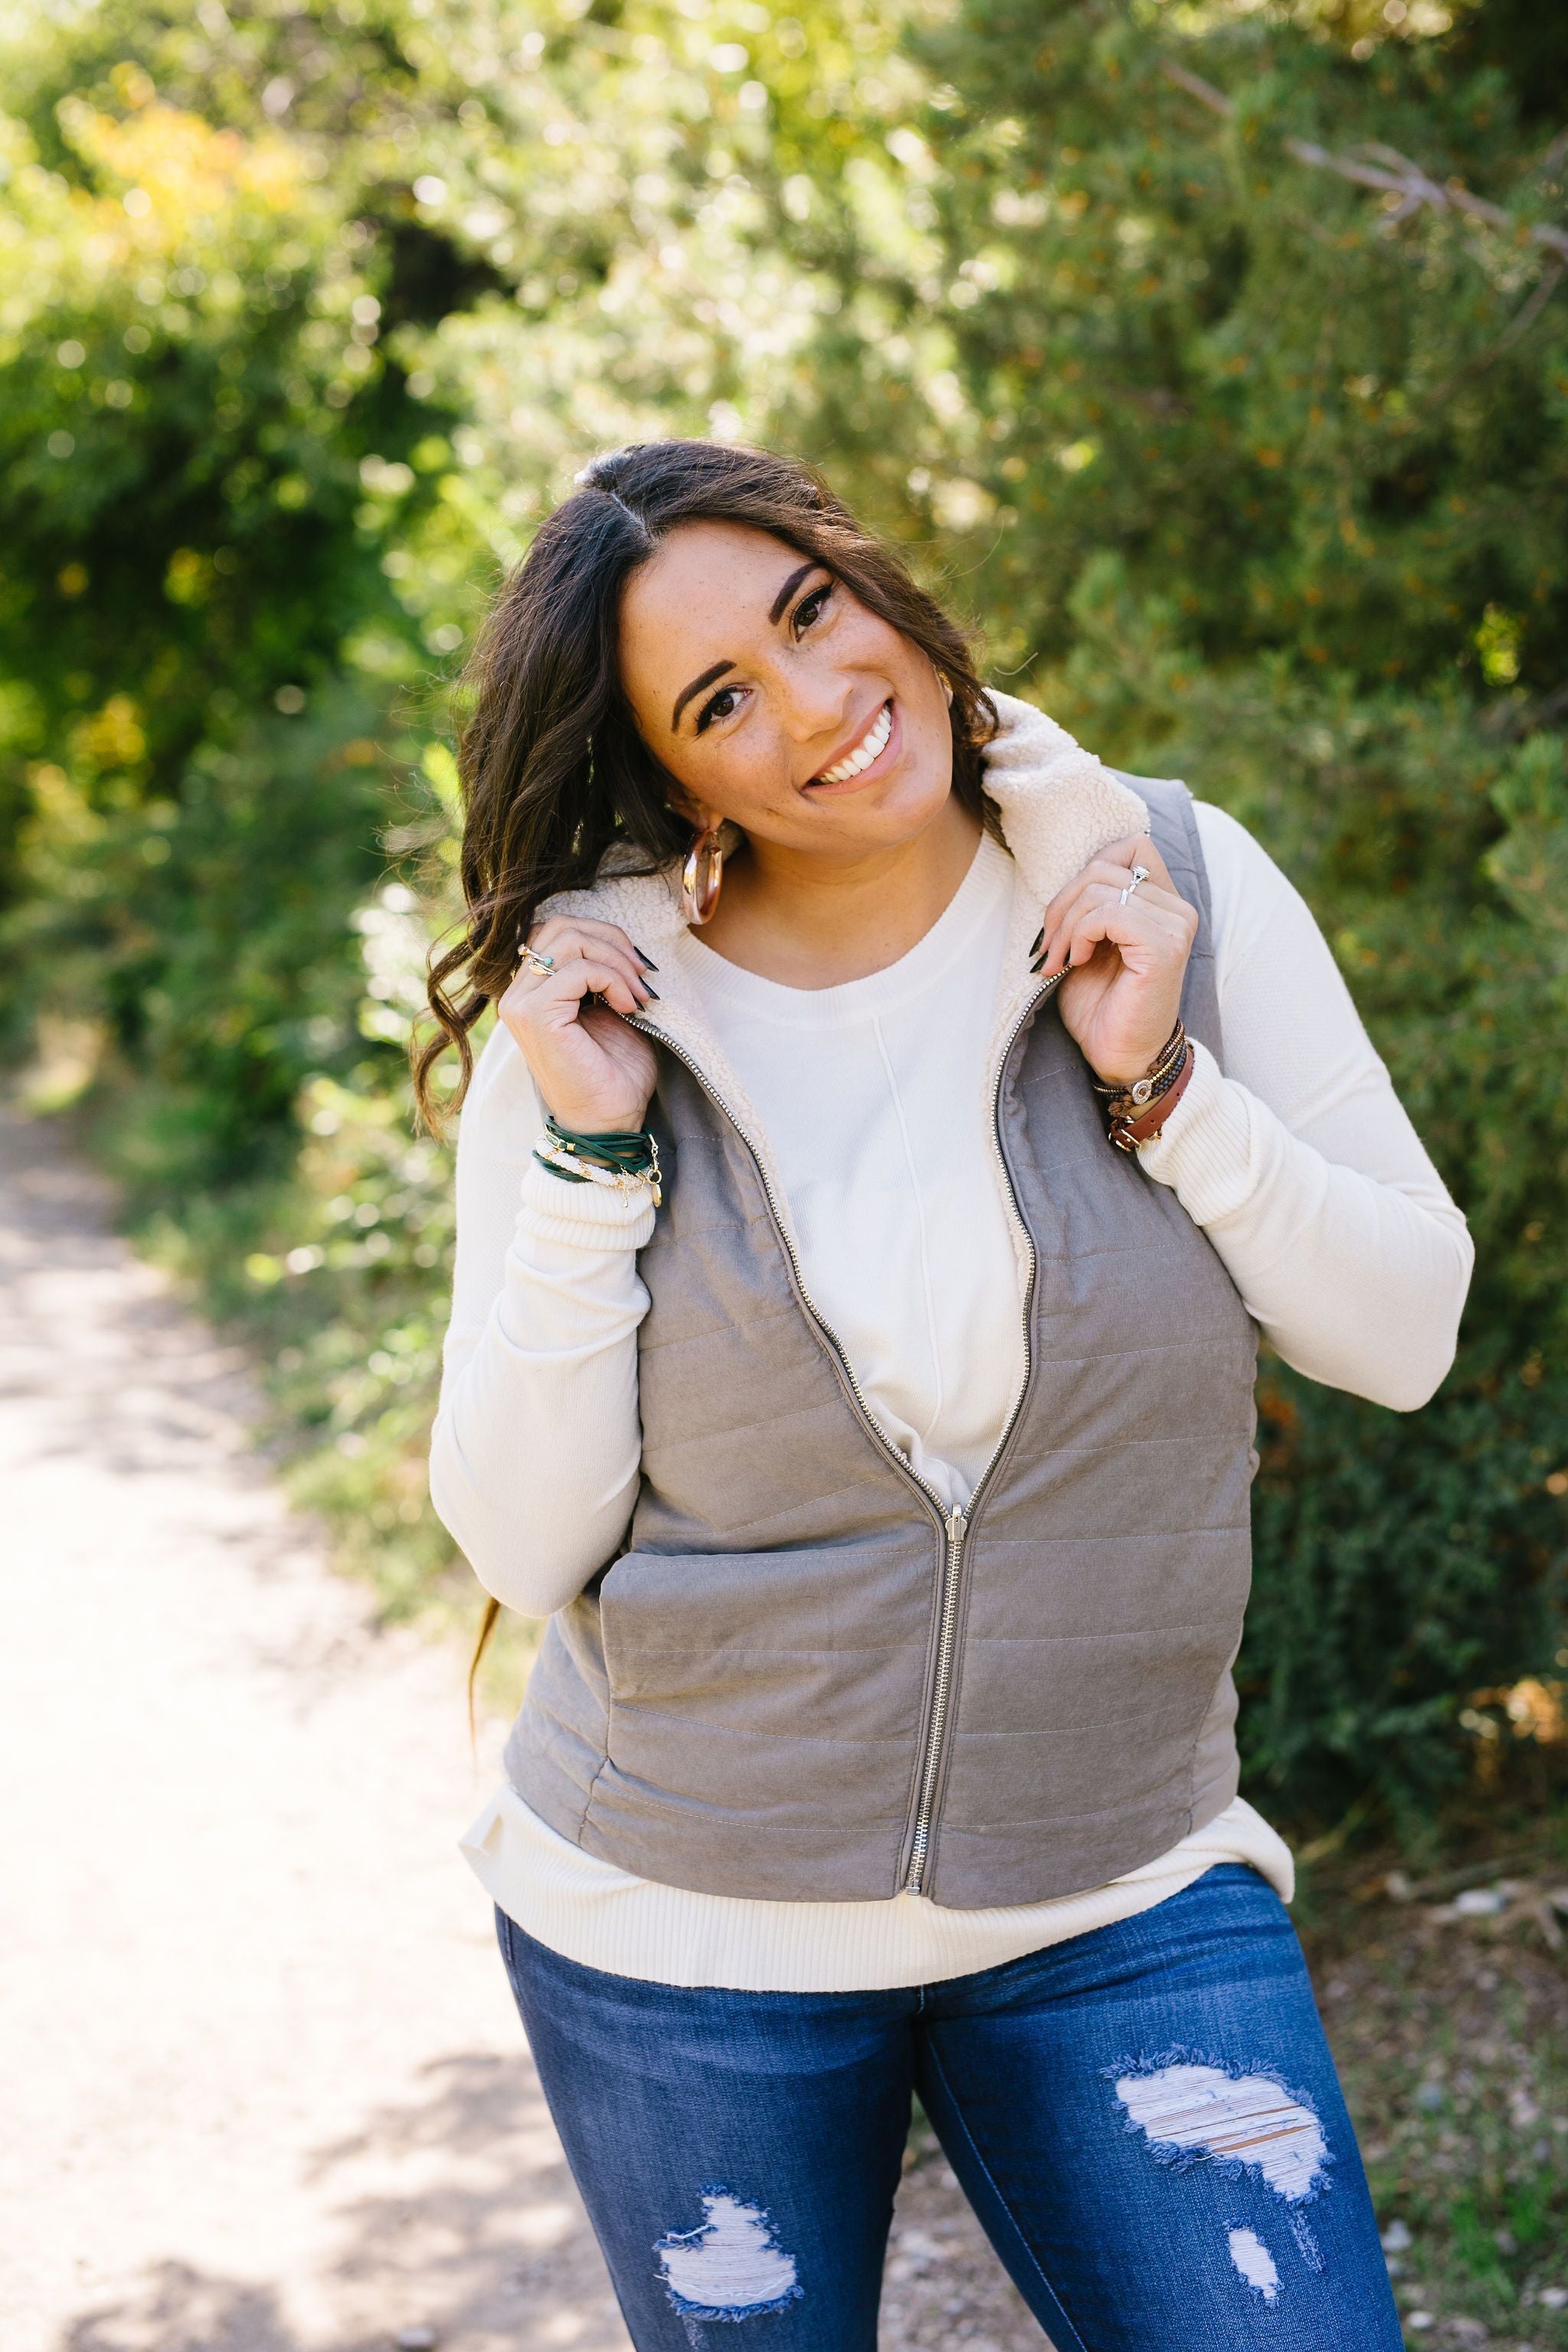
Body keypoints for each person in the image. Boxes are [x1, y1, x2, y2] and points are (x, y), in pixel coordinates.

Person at [422, 440, 1470, 2350]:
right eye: (723, 699)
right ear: (673, 772)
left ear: (868, 576)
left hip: (1120, 1884)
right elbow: (519, 1535)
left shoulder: (1169, 879)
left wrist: (1162, 1089)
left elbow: (1402, 1332)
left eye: (810, 615)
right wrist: (589, 1159)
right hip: (684, 1933)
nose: (820, 705)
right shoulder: (601, 1012)